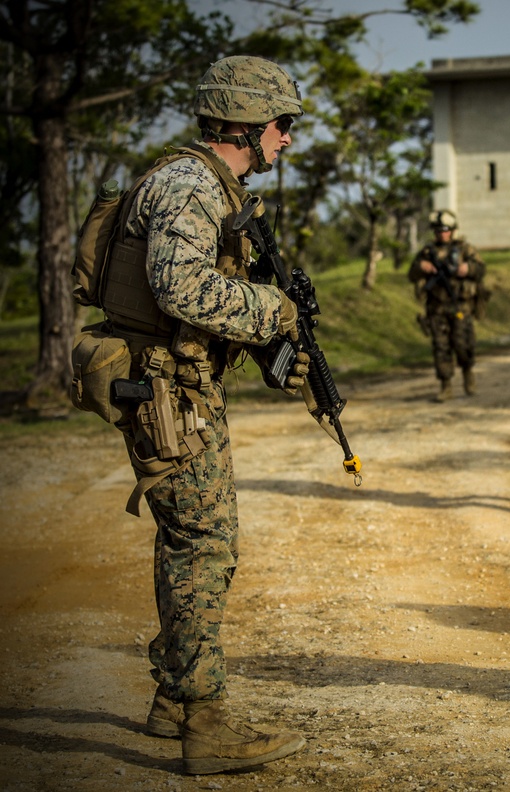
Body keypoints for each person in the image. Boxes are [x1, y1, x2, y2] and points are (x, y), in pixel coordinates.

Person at [95, 56, 308, 775]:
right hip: (165, 391)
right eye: (282, 125)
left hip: (175, 385)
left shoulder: (200, 182)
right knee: (204, 544)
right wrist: (270, 310)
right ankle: (206, 722)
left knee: (193, 538)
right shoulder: (189, 186)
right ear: (245, 123)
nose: (287, 139)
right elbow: (180, 289)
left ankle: (175, 701)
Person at [409, 210, 487, 401]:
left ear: (452, 230)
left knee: (463, 343)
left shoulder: (465, 249)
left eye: (445, 230)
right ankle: (446, 385)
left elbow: (481, 269)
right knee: (441, 347)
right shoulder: (427, 252)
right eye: (437, 230)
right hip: (436, 308)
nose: (441, 234)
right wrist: (422, 267)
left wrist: (467, 269)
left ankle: (468, 374)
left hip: (461, 306)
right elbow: (412, 274)